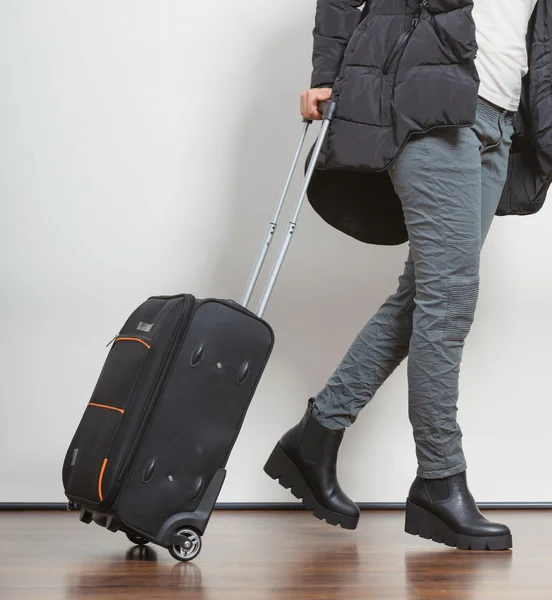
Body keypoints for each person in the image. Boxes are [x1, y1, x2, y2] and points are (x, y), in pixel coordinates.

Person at [264, 0, 552, 551]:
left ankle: (315, 437)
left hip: (501, 119)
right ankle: (439, 480)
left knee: (422, 297)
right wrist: (326, 76)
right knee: (449, 301)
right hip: (429, 105)